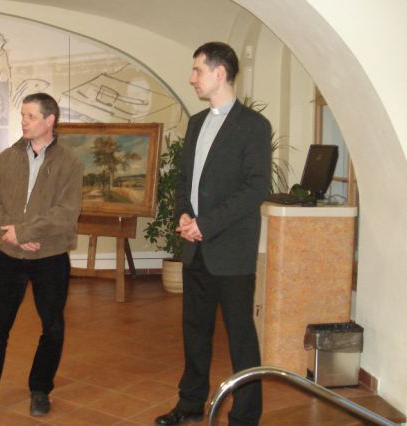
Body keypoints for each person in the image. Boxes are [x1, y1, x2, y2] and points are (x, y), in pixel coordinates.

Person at [154, 42, 271, 426]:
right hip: (196, 249)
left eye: (198, 70)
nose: (192, 78)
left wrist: (206, 223)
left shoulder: (253, 126)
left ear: (220, 73)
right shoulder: (196, 123)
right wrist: (184, 215)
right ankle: (190, 405)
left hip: (232, 251)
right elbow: (185, 181)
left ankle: (246, 417)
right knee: (194, 334)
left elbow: (255, 188)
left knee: (241, 338)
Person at [0, 92, 83, 420]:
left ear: (50, 121)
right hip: (10, 254)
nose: (23, 121)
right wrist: (11, 234)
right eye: (22, 115)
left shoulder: (69, 163)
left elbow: (66, 212)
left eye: (30, 116)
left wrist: (25, 232)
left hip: (50, 255)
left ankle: (40, 389)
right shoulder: (7, 158)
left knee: (52, 327)